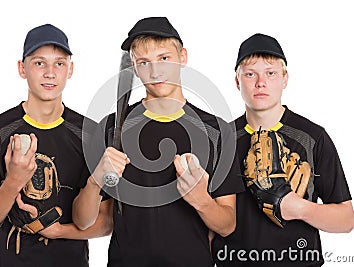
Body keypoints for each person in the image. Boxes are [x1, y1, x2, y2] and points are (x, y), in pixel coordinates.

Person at [72, 17, 245, 267]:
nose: (155, 72)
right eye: (144, 62)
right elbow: (83, 220)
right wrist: (96, 179)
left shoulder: (216, 130)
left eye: (164, 58)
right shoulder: (111, 129)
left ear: (182, 57)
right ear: (134, 66)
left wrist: (201, 200)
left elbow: (228, 225)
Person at [0, 23, 113, 266]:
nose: (50, 73)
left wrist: (59, 231)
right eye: (39, 63)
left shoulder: (90, 134)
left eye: (59, 63)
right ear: (22, 68)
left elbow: (106, 223)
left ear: (70, 70)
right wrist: (14, 180)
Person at [212, 33, 354, 266]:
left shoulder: (313, 137)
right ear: (237, 81)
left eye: (271, 73)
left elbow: (346, 220)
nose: (261, 82)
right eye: (250, 74)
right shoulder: (222, 140)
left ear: (285, 78)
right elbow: (210, 222)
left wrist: (298, 207)